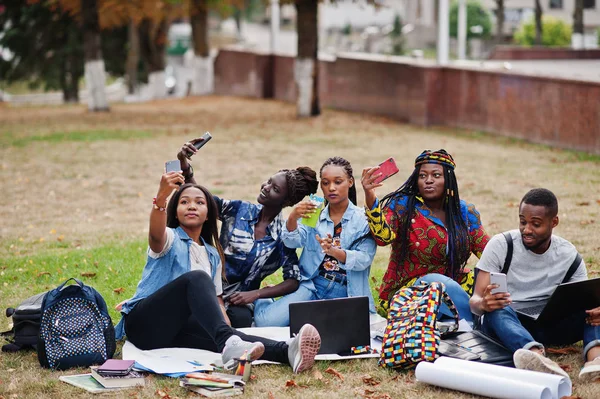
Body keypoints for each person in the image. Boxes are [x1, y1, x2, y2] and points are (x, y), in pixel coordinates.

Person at [114, 171, 321, 373]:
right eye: (184, 202)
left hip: (169, 334)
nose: (192, 206)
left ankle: (287, 352)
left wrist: (226, 326)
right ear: (175, 211)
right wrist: (161, 199)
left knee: (227, 333)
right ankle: (229, 342)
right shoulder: (169, 239)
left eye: (199, 203)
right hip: (144, 326)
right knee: (199, 283)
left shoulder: (213, 255)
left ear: (208, 214)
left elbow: (218, 299)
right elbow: (156, 235)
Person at [177, 138, 319, 328]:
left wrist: (256, 294)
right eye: (269, 181)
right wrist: (185, 166)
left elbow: (293, 280)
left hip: (239, 301)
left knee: (240, 321)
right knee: (194, 316)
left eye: (275, 189)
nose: (266, 187)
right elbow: (204, 200)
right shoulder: (239, 209)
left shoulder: (281, 237)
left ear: (286, 202)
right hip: (208, 286)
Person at [470, 188, 600, 381]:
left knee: (592, 309)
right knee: (498, 309)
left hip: (549, 324)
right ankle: (536, 357)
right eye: (523, 221)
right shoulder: (501, 245)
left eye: (536, 224)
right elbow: (475, 300)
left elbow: (579, 299)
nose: (527, 229)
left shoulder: (568, 255)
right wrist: (483, 304)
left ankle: (595, 360)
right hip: (507, 322)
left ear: (554, 222)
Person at [361, 149, 489, 323]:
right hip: (408, 291)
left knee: (487, 282)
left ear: (448, 179)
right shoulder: (402, 205)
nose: (428, 180)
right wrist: (370, 198)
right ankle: (473, 325)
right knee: (438, 283)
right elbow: (383, 238)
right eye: (422, 176)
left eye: (436, 175)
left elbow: (489, 254)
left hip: (453, 284)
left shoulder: (465, 212)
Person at [253, 157, 377, 327]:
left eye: (338, 182)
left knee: (343, 333)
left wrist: (336, 252)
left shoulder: (363, 219)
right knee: (265, 322)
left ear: (350, 182)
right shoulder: (314, 213)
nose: (331, 188)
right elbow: (292, 242)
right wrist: (293, 217)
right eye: (325, 183)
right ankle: (267, 298)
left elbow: (364, 259)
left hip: (348, 291)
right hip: (312, 286)